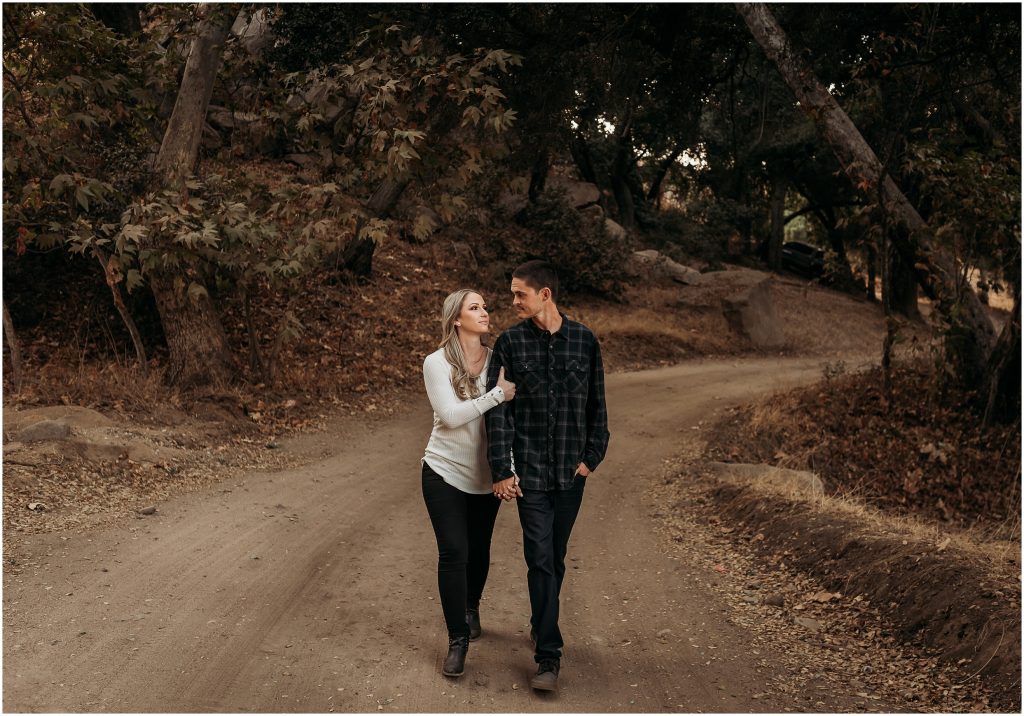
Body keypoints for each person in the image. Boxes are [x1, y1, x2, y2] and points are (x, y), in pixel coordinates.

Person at [485, 260, 610, 692]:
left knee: (554, 558)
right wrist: (503, 468)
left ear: (545, 295)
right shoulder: (510, 344)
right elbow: (498, 411)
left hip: (571, 475)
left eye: (519, 293)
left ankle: (541, 622)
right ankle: (549, 657)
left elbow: (598, 409)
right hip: (531, 475)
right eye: (512, 292)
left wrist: (590, 459)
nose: (512, 300)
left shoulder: (585, 341)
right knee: (539, 558)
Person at [421, 288, 517, 678]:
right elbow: (451, 415)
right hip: (443, 470)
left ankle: (472, 605)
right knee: (453, 552)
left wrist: (506, 469)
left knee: (479, 549)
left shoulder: (499, 360)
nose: (485, 312)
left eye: (485, 306)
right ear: (456, 319)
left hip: (485, 477)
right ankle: (457, 640)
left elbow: (510, 424)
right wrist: (496, 394)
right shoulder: (436, 362)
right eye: (474, 307)